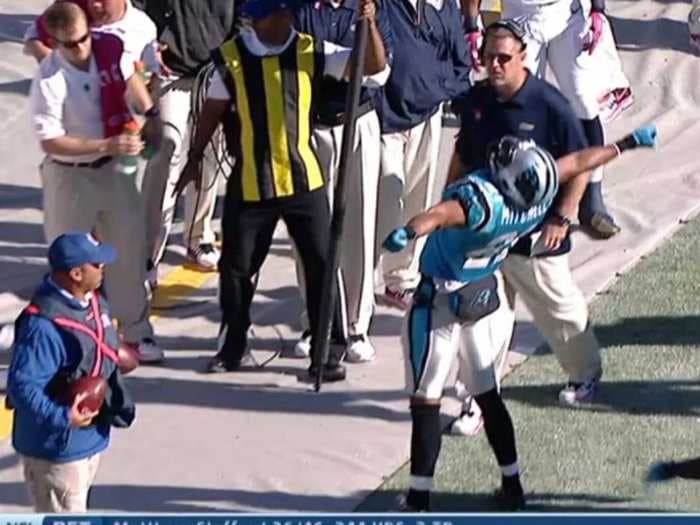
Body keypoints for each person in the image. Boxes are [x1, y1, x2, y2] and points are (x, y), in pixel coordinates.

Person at [383, 125, 658, 511]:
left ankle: (417, 497)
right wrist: (626, 143)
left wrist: (409, 231)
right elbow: (580, 162)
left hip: (440, 301)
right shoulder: (534, 195)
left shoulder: (482, 203)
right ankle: (512, 485)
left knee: (426, 399)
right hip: (482, 297)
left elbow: (441, 214)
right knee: (488, 395)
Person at [173, 0, 387, 378]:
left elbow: (372, 67)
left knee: (322, 263)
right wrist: (193, 159)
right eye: (262, 15)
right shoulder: (231, 58)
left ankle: (327, 351)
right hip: (252, 181)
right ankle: (232, 347)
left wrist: (367, 24)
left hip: (305, 180)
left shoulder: (312, 51)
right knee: (236, 269)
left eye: (273, 14)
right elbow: (212, 112)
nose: (255, 22)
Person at [448, 21, 607, 438]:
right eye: (489, 58)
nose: (495, 65)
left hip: (537, 234)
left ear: (523, 57)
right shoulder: (478, 101)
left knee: (560, 309)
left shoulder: (549, 104)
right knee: (481, 322)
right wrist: (448, 207)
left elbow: (583, 161)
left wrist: (564, 215)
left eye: (504, 57)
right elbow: (463, 154)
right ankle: (476, 400)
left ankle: (584, 372)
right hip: (487, 234)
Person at [29, 2, 164, 362]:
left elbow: (129, 78)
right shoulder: (49, 78)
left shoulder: (107, 48)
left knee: (127, 251)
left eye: (84, 37)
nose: (81, 47)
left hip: (112, 169)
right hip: (69, 176)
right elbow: (50, 140)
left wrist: (149, 114)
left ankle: (136, 333)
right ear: (56, 43)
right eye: (71, 44)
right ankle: (61, 342)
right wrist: (107, 143)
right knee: (68, 263)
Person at [463, 0, 626, 238]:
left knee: (584, 101)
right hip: (520, 17)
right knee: (519, 105)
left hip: (567, 14)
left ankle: (592, 198)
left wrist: (598, 8)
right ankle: (523, 201)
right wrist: (471, 25)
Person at [292, 0, 393, 362]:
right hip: (311, 125)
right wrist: (339, 61)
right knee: (310, 230)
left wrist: (370, 25)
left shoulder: (368, 8)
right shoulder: (301, 9)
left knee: (358, 230)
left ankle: (356, 325)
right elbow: (299, 60)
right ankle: (315, 322)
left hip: (359, 121)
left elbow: (378, 70)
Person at [6, 232, 135, 512]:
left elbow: (96, 339)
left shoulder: (92, 299)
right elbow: (22, 387)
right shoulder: (42, 328)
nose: (103, 268)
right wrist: (63, 416)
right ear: (76, 273)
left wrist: (112, 353)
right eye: (96, 264)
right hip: (56, 451)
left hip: (87, 440)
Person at [374, 0, 471, 310]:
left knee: (418, 199)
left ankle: (401, 280)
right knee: (385, 206)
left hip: (427, 117)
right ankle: (358, 291)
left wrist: (440, 90)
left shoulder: (445, 5)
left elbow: (460, 60)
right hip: (383, 121)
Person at [138, 0, 237, 283]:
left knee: (210, 154)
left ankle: (198, 235)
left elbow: (246, 9)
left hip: (216, 70)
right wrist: (149, 42)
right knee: (165, 152)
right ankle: (147, 252)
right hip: (171, 72)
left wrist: (234, 52)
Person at [23, 0, 160, 77]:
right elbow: (34, 34)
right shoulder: (75, 9)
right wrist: (54, 66)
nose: (95, 5)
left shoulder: (143, 28)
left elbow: (149, 78)